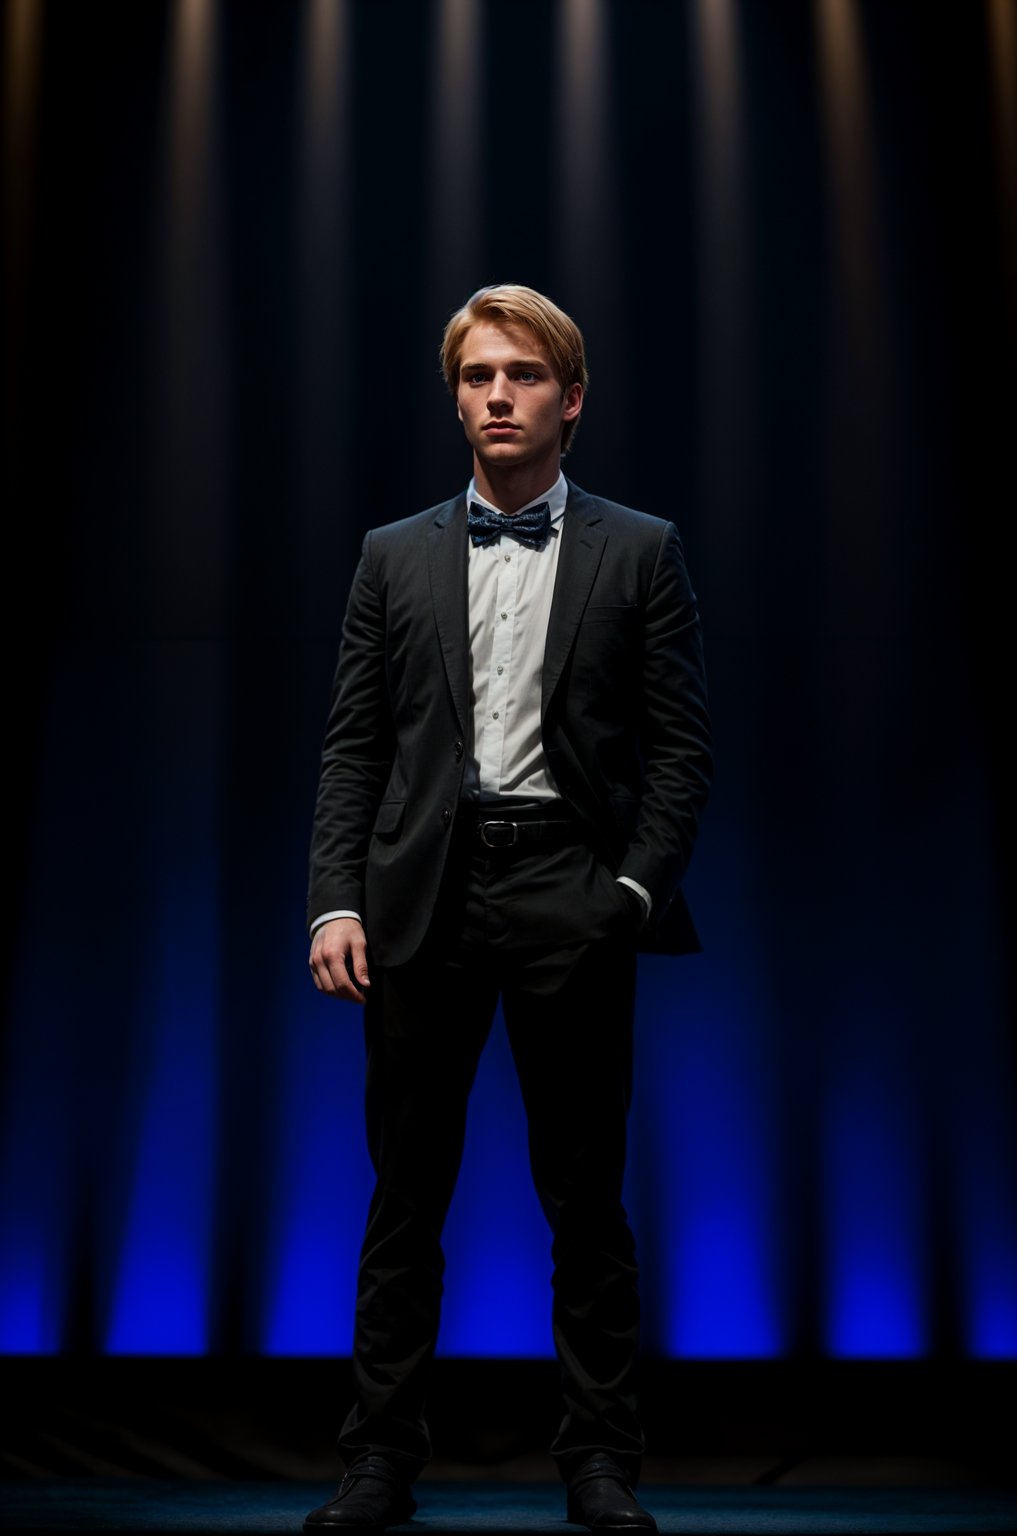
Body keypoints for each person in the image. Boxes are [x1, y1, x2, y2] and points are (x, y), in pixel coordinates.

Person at [303, 284, 713, 1533]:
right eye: (478, 375)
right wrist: (332, 903)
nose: (495, 395)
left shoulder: (640, 549)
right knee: (403, 1194)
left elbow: (681, 747)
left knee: (585, 1200)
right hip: (419, 892)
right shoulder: (392, 554)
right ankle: (378, 1461)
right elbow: (352, 747)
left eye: (522, 375)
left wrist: (629, 892)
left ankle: (600, 1461)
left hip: (567, 893)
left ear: (570, 399)